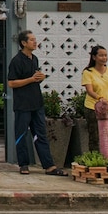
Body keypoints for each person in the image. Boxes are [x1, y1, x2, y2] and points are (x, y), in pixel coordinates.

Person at [7, 30, 67, 176]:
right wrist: (31, 79)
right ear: (23, 43)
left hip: (37, 103)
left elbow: (34, 77)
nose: (35, 42)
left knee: (41, 134)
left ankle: (49, 165)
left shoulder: (34, 59)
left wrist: (40, 77)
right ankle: (23, 164)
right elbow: (11, 83)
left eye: (35, 39)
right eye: (32, 40)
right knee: (21, 134)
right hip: (23, 105)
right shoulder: (16, 61)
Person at [81, 45, 108, 153]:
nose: (104, 58)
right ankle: (95, 161)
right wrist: (99, 98)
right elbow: (90, 90)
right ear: (94, 57)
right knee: (95, 137)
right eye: (101, 55)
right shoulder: (88, 72)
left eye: (105, 55)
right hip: (93, 108)